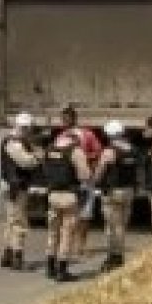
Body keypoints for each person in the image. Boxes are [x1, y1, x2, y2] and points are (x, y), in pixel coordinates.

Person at [42, 128, 91, 281]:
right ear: (76, 140)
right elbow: (85, 174)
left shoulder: (49, 150)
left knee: (53, 231)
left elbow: (44, 169)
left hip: (52, 195)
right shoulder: (75, 152)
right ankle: (62, 270)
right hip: (69, 195)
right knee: (67, 232)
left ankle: (50, 266)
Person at [0, 111, 42, 271]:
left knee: (11, 221)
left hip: (10, 185)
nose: (28, 131)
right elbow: (26, 162)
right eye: (27, 128)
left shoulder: (10, 140)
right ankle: (17, 255)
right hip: (16, 187)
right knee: (19, 222)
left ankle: (8, 254)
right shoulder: (14, 143)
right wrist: (38, 156)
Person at [93, 120, 138, 271]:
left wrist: (95, 182)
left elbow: (100, 171)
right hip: (129, 191)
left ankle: (114, 257)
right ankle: (118, 256)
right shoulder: (132, 149)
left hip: (113, 192)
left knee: (112, 226)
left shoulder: (109, 151)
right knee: (122, 225)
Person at [60, 106, 103, 256]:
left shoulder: (86, 134)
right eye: (63, 119)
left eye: (66, 119)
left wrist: (84, 158)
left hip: (83, 179)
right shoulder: (61, 137)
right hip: (70, 181)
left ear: (74, 119)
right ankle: (71, 247)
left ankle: (80, 246)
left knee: (84, 214)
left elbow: (98, 151)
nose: (64, 121)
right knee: (73, 215)